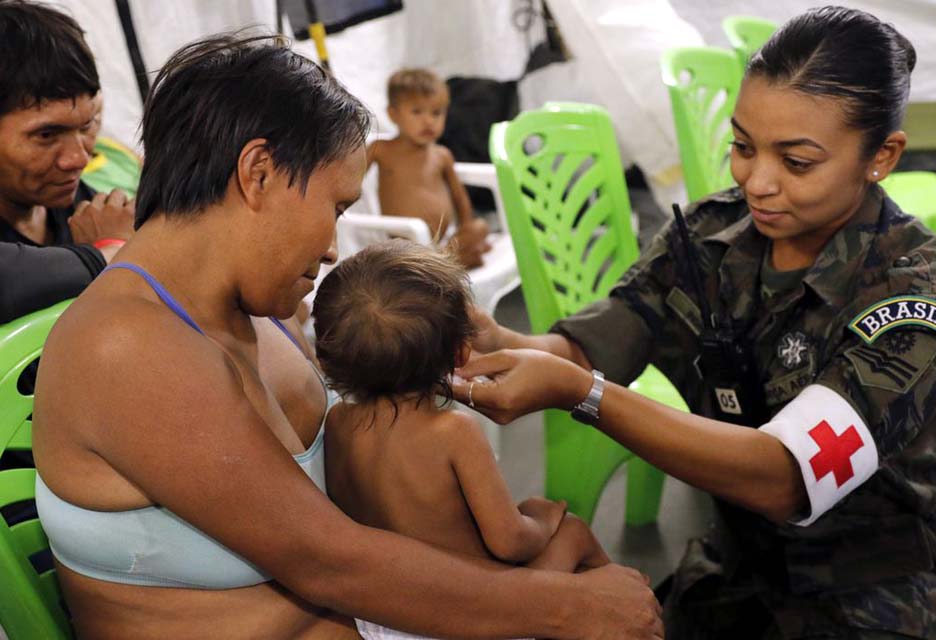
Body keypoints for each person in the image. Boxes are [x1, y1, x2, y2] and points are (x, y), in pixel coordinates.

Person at [31, 33, 661, 640]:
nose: (333, 247)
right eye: (335, 206)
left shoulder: (256, 308)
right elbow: (329, 559)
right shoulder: (128, 345)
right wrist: (562, 608)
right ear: (259, 173)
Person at [454, 7, 936, 639]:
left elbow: (787, 475)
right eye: (743, 146)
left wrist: (578, 395)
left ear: (880, 156)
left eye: (797, 162)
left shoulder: (918, 296)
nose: (758, 181)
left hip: (874, 599)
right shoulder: (708, 237)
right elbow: (605, 337)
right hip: (737, 574)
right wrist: (501, 341)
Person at [315, 239, 610, 639]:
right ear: (461, 351)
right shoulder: (453, 433)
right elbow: (509, 543)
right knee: (572, 533)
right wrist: (544, 518)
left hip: (385, 620)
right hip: (469, 619)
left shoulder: (335, 423)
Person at [0, 0, 134, 321]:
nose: (78, 159)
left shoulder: (89, 209)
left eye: (86, 126)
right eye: (46, 135)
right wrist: (112, 253)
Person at [367, 68, 491, 268]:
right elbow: (350, 175)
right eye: (417, 112)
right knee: (469, 250)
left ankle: (445, 259)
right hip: (404, 241)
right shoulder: (382, 150)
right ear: (393, 114)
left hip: (443, 240)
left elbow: (459, 196)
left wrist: (467, 224)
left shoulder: (442, 155)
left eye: (436, 113)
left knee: (480, 227)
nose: (428, 121)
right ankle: (453, 259)